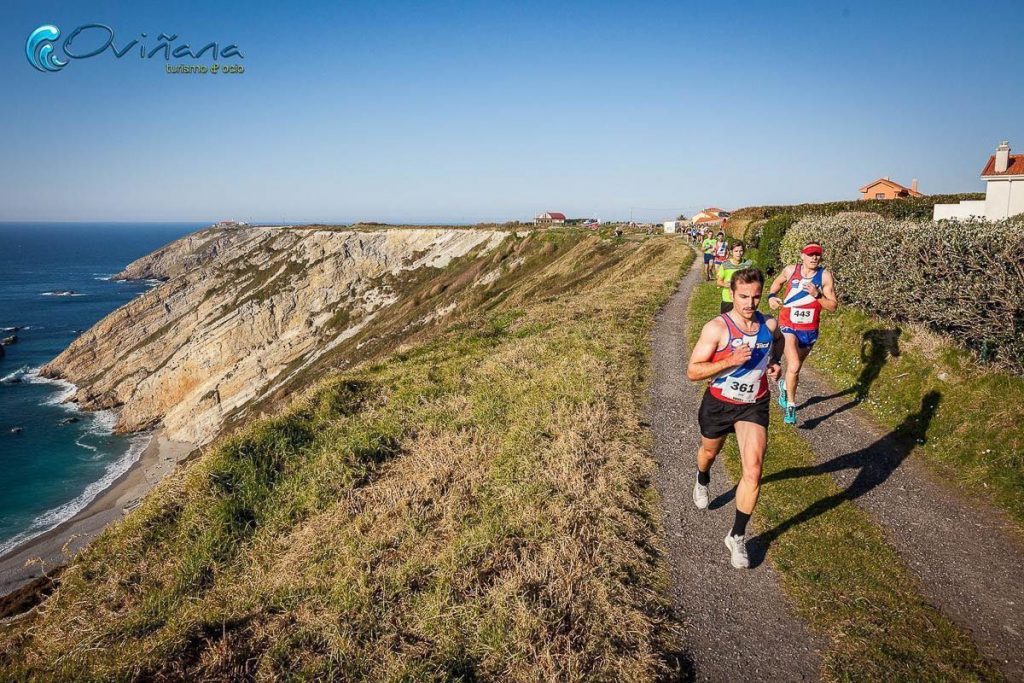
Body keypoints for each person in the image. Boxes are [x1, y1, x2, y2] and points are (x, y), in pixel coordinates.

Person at [687, 268, 783, 569]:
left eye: (756, 296)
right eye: (743, 296)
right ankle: (702, 479)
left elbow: (777, 341)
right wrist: (730, 360)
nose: (750, 303)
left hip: (753, 405)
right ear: (732, 294)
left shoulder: (769, 323)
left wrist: (776, 362)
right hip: (718, 404)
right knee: (709, 453)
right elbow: (693, 372)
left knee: (753, 471)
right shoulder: (717, 328)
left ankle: (737, 535)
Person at [767, 241, 838, 425]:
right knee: (795, 365)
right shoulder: (791, 270)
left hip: (810, 330)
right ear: (802, 255)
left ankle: (784, 386)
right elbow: (776, 283)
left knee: (793, 370)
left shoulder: (825, 277)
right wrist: (772, 297)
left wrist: (818, 295)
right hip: (788, 325)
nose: (814, 257)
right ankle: (791, 406)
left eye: (817, 254)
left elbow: (832, 306)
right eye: (810, 254)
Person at [715, 241, 752, 314]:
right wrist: (727, 284)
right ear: (731, 252)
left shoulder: (748, 264)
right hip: (728, 299)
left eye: (741, 251)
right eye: (736, 251)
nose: (738, 253)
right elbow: (718, 282)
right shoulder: (725, 265)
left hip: (743, 299)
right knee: (727, 323)